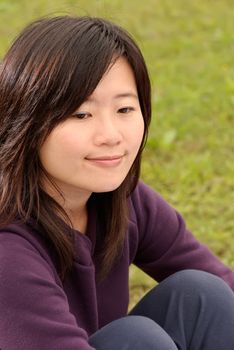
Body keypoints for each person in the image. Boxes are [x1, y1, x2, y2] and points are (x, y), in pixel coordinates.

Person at [0, 15, 233, 350]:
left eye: (124, 109)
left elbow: (221, 283)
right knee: (135, 340)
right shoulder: (8, 249)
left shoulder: (122, 201)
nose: (110, 136)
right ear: (25, 123)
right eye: (81, 115)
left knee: (201, 294)